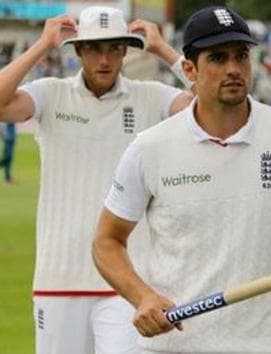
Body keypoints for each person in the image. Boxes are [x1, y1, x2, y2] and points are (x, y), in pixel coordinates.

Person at [92, 5, 271, 353]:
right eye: (218, 58)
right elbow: (106, 241)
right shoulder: (151, 147)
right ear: (189, 69)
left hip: (260, 347)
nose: (234, 69)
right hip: (171, 347)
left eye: (241, 56)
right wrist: (142, 296)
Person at [0, 6, 193, 354]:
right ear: (77, 50)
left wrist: (164, 50)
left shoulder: (149, 95)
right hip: (58, 277)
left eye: (113, 48)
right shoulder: (51, 93)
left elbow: (211, 105)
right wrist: (43, 45)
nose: (104, 59)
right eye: (93, 48)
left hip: (127, 283)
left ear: (125, 50)